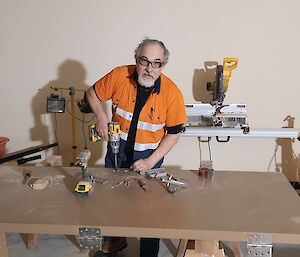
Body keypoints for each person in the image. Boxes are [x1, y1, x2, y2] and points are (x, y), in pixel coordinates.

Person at [86, 38, 187, 257]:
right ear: (136, 59)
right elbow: (92, 93)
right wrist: (101, 116)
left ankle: (148, 254)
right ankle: (114, 242)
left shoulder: (171, 93)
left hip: (148, 158)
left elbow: (174, 134)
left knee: (149, 213)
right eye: (145, 61)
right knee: (113, 201)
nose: (150, 68)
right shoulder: (119, 75)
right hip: (116, 153)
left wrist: (150, 161)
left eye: (157, 63)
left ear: (162, 65)